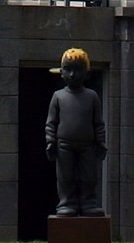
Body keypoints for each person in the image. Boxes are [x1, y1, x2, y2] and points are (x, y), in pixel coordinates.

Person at [44, 46, 105, 216]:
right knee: (65, 177)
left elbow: (98, 123)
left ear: (87, 73)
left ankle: (88, 202)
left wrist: (101, 141)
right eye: (68, 70)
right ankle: (66, 202)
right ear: (62, 72)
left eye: (78, 70)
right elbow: (51, 122)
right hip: (64, 144)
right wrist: (50, 141)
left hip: (87, 144)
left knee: (89, 176)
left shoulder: (92, 96)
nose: (72, 75)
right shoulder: (58, 96)